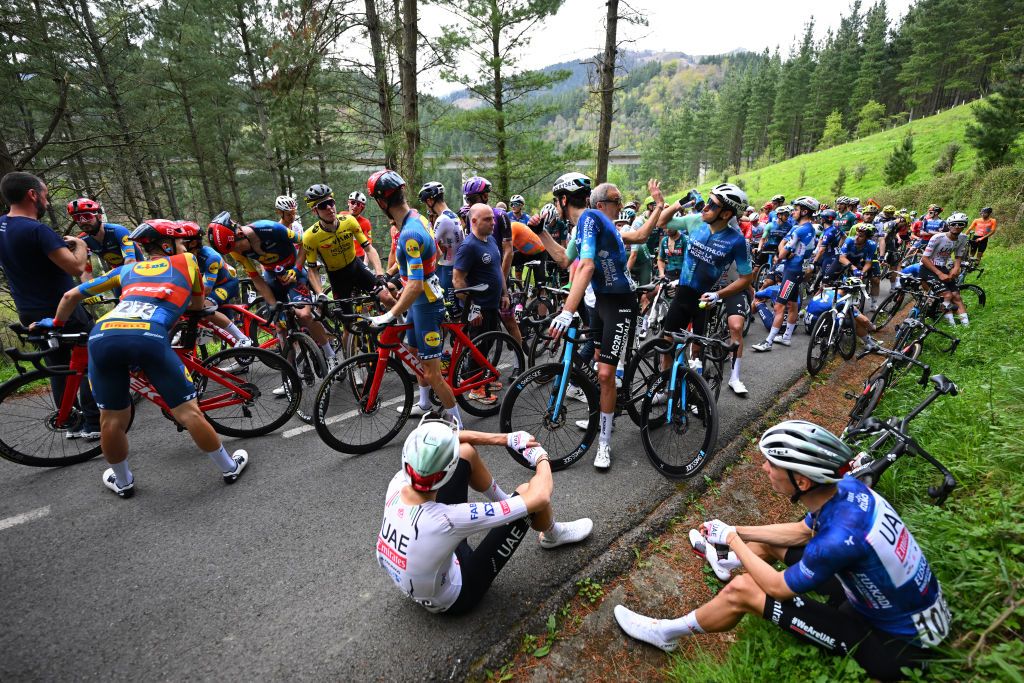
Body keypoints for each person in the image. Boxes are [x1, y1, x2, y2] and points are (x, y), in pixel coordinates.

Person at [615, 420, 949, 681]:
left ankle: (665, 633)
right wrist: (737, 531)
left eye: (772, 464)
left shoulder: (838, 540)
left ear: (802, 482)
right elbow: (802, 532)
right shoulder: (846, 488)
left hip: (895, 647)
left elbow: (777, 587)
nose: (765, 469)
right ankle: (723, 562)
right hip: (885, 604)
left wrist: (731, 538)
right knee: (771, 543)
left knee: (744, 590)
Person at [32, 220, 250, 497]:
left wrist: (57, 324)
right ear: (168, 245)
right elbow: (196, 305)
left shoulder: (126, 269)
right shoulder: (186, 261)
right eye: (181, 242)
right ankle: (228, 466)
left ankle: (123, 482)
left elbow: (70, 295)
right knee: (187, 412)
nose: (185, 247)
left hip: (104, 335)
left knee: (110, 420)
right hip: (148, 334)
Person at [376, 418, 593, 614]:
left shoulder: (398, 482)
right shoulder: (450, 519)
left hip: (420, 570)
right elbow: (540, 496)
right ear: (446, 473)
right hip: (454, 597)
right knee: (528, 491)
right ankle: (553, 534)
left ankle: (505, 502)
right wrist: (541, 457)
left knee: (465, 452)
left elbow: (453, 440)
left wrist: (507, 439)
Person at [535, 176, 666, 470]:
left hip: (619, 303)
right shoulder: (582, 227)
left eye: (557, 201)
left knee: (605, 374)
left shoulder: (592, 218)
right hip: (601, 305)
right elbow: (564, 261)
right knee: (598, 364)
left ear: (563, 200)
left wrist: (567, 311)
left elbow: (588, 265)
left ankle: (604, 443)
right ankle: (607, 406)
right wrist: (541, 233)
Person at [0, 172, 99, 439]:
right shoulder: (37, 230)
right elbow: (76, 266)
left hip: (29, 310)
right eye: (44, 195)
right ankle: (93, 423)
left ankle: (69, 421)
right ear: (32, 195)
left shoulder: (2, 226)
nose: (46, 200)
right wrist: (79, 246)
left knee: (58, 365)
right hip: (62, 308)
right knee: (92, 359)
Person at [366, 170, 463, 426]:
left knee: (432, 373)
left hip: (427, 305)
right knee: (411, 350)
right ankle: (424, 403)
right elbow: (415, 268)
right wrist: (392, 279)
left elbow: (417, 284)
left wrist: (391, 313)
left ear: (381, 202)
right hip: (419, 302)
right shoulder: (417, 218)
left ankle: (457, 425)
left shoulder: (409, 233)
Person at [207, 209, 338, 367]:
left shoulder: (271, 229)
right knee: (280, 328)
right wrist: (273, 304)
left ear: (240, 233)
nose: (236, 252)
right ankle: (290, 375)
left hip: (293, 272)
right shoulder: (234, 250)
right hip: (272, 276)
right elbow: (256, 278)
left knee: (304, 315)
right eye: (230, 250)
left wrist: (296, 269)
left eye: (235, 247)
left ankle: (330, 354)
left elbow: (305, 243)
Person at [659, 184, 753, 394]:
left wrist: (719, 294)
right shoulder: (695, 221)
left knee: (697, 351)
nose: (705, 207)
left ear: (727, 213)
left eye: (713, 204)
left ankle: (695, 392)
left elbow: (746, 278)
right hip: (682, 294)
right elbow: (661, 221)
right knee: (668, 343)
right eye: (708, 201)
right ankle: (664, 389)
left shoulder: (737, 241)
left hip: (705, 300)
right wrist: (680, 202)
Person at [300, 183, 393, 318]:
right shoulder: (310, 237)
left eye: (331, 203)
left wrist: (379, 273)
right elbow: (312, 270)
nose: (329, 208)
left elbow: (369, 248)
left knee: (387, 298)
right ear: (315, 211)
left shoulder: (349, 221)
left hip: (356, 266)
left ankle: (405, 331)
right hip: (337, 277)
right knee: (348, 323)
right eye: (322, 206)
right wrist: (320, 293)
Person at [453, 204, 508, 404]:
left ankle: (480, 378)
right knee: (478, 348)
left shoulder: (491, 240)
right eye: (487, 219)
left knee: (487, 345)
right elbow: (457, 280)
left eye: (492, 218)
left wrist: (505, 293)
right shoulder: (469, 246)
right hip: (479, 309)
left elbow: (498, 270)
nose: (493, 222)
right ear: (474, 221)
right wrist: (473, 309)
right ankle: (474, 387)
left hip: (493, 304)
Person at [752, 196, 817, 352]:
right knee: (792, 304)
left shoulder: (800, 230)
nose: (793, 212)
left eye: (795, 209)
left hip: (792, 271)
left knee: (780, 306)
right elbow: (784, 246)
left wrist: (785, 252)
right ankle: (786, 337)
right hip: (796, 270)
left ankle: (768, 342)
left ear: (805, 211)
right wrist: (786, 250)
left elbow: (781, 254)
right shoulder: (805, 228)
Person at [180, 222, 249, 346]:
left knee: (203, 307)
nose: (178, 244)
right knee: (194, 310)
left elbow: (206, 289)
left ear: (193, 243)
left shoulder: (210, 257)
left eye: (181, 241)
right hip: (211, 286)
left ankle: (243, 339)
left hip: (226, 284)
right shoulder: (184, 257)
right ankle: (205, 347)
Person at [67, 198, 143, 283]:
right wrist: (94, 295)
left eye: (87, 216)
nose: (83, 221)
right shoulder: (82, 241)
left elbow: (130, 261)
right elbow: (86, 272)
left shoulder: (118, 230)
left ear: (99, 216)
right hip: (116, 273)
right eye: (77, 218)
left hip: (139, 268)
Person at [420, 181, 463, 310]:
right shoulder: (452, 215)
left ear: (430, 200)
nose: (427, 207)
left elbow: (429, 243)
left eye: (425, 203)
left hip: (447, 268)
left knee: (451, 310)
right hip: (454, 265)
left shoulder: (442, 219)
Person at [921, 212, 970, 326]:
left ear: (964, 226)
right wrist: (939, 274)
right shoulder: (937, 237)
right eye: (954, 224)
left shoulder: (963, 238)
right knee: (947, 295)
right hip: (928, 267)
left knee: (956, 296)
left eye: (960, 224)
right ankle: (952, 327)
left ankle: (966, 326)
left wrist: (956, 268)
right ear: (949, 224)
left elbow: (958, 255)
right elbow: (924, 259)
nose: (957, 226)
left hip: (942, 267)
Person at [344, 191, 372, 263]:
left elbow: (369, 245)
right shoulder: (341, 216)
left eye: (358, 204)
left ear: (362, 207)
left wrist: (365, 263)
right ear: (348, 203)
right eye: (353, 202)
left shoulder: (365, 223)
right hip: (343, 258)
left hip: (359, 258)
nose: (355, 206)